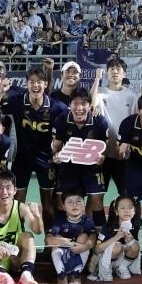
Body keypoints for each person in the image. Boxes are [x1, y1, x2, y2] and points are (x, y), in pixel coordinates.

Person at [4, 66, 68, 228]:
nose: (35, 85)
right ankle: (16, 236)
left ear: (46, 84)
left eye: (39, 82)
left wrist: (61, 153)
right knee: (17, 200)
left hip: (46, 159)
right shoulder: (17, 101)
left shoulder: (57, 107)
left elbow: (69, 131)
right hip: (22, 158)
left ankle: (49, 241)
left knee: (48, 200)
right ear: (26, 84)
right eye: (31, 82)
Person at [51, 87, 110, 226]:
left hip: (91, 167)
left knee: (96, 200)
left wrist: (102, 157)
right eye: (75, 103)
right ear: (70, 105)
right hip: (69, 167)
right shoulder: (62, 119)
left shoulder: (99, 121)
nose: (79, 108)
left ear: (90, 105)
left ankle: (99, 238)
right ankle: (62, 235)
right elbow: (56, 146)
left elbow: (105, 148)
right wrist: (56, 156)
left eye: (83, 104)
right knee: (62, 200)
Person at [95, 58, 139, 196]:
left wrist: (126, 145)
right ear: (106, 73)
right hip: (102, 154)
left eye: (118, 69)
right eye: (111, 69)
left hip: (123, 156)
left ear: (124, 74)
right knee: (96, 196)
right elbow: (91, 104)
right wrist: (97, 80)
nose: (115, 71)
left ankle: (129, 218)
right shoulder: (99, 93)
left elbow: (135, 123)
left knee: (128, 195)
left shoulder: (132, 96)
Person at [46, 191, 98, 284]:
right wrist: (60, 241)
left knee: (84, 237)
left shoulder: (87, 221)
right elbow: (48, 239)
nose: (74, 204)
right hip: (62, 256)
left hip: (78, 254)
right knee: (56, 239)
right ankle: (61, 275)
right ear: (64, 207)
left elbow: (93, 238)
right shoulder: (59, 220)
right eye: (70, 202)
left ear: (84, 205)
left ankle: (76, 274)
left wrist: (84, 247)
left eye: (78, 201)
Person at [88, 195, 142, 281]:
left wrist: (131, 239)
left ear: (135, 211)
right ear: (116, 211)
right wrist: (116, 237)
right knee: (117, 246)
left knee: (135, 245)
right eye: (122, 208)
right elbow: (97, 249)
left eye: (130, 208)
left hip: (120, 260)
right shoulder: (107, 227)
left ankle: (122, 268)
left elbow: (133, 248)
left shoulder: (134, 226)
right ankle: (106, 270)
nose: (127, 211)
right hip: (106, 259)